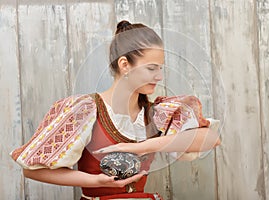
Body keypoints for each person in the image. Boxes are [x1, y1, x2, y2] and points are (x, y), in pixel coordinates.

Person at [10, 20, 220, 200]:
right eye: (151, 68)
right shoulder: (85, 110)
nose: (159, 76)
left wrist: (141, 147)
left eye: (160, 68)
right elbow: (32, 171)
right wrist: (95, 180)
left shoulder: (155, 114)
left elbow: (210, 137)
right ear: (124, 65)